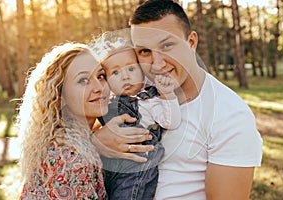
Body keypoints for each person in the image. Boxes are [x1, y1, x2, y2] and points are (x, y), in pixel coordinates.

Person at [127, 0, 263, 199]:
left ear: (191, 42)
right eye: (144, 51)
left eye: (167, 45)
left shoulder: (230, 115)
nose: (157, 64)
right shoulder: (137, 90)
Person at [17, 42, 114, 199]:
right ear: (60, 97)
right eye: (83, 80)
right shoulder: (71, 156)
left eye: (101, 76)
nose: (99, 87)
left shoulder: (72, 140)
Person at [98, 45, 181, 199]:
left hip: (137, 170)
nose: (125, 77)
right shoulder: (106, 104)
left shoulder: (149, 100)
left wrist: (167, 95)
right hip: (110, 171)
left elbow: (171, 122)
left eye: (131, 69)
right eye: (115, 72)